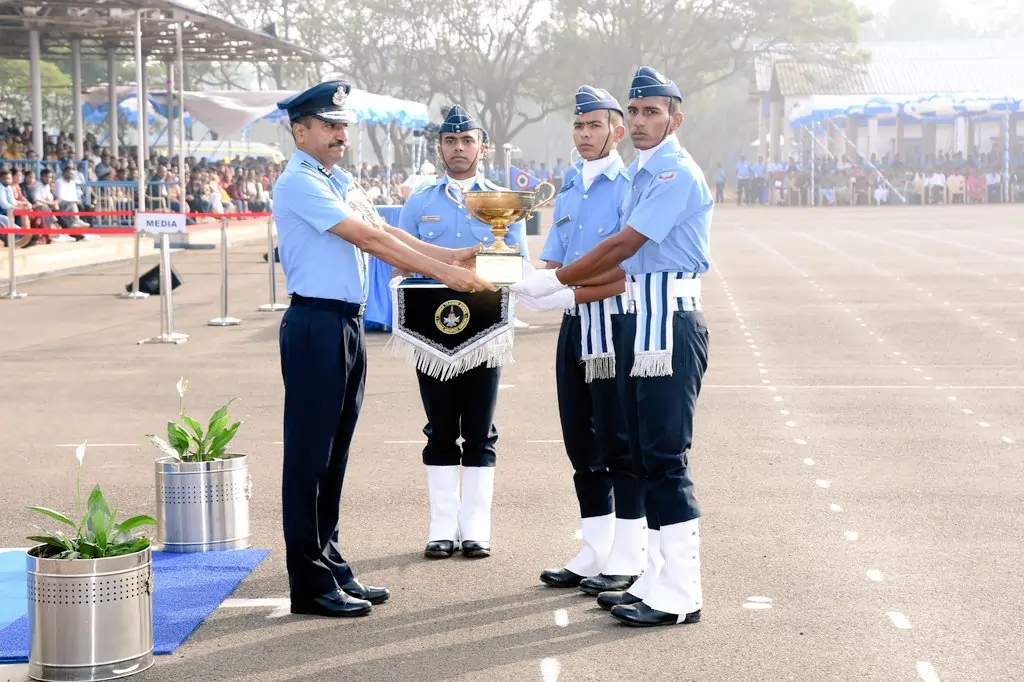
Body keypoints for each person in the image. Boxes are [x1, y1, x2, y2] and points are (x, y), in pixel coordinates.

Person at [273, 80, 493, 619]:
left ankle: (329, 560)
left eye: (343, 126)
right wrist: (444, 273)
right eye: (328, 125)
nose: (340, 134)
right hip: (314, 323)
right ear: (299, 131)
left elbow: (389, 232)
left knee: (336, 451)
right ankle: (308, 580)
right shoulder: (298, 183)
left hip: (344, 325)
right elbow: (367, 241)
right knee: (309, 456)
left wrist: (453, 255)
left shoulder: (338, 178)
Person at [513, 66, 712, 628]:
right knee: (649, 456)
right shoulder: (647, 176)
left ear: (675, 118)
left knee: (665, 460)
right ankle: (654, 576)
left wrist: (558, 282)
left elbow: (625, 244)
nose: (645, 121)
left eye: (653, 112)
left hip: (668, 320)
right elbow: (619, 255)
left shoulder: (673, 173)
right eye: (639, 110)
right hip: (645, 322)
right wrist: (563, 283)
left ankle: (682, 592)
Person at [525, 86, 645, 596]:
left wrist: (566, 295)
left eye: (595, 125)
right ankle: (594, 547)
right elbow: (555, 261)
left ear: (617, 131)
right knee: (580, 440)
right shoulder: (570, 186)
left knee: (620, 441)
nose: (585, 135)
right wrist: (525, 280)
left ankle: (629, 552)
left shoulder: (631, 185)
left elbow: (630, 270)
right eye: (578, 126)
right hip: (575, 329)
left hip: (617, 325)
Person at [397, 104, 529, 560]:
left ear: (482, 146)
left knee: (479, 429)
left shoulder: (505, 202)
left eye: (467, 140)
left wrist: (486, 262)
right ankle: (440, 529)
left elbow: (519, 263)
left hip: (485, 326)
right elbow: (398, 258)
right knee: (438, 429)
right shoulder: (420, 201)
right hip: (430, 328)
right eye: (451, 141)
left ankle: (475, 529)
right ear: (440, 147)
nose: (459, 148)